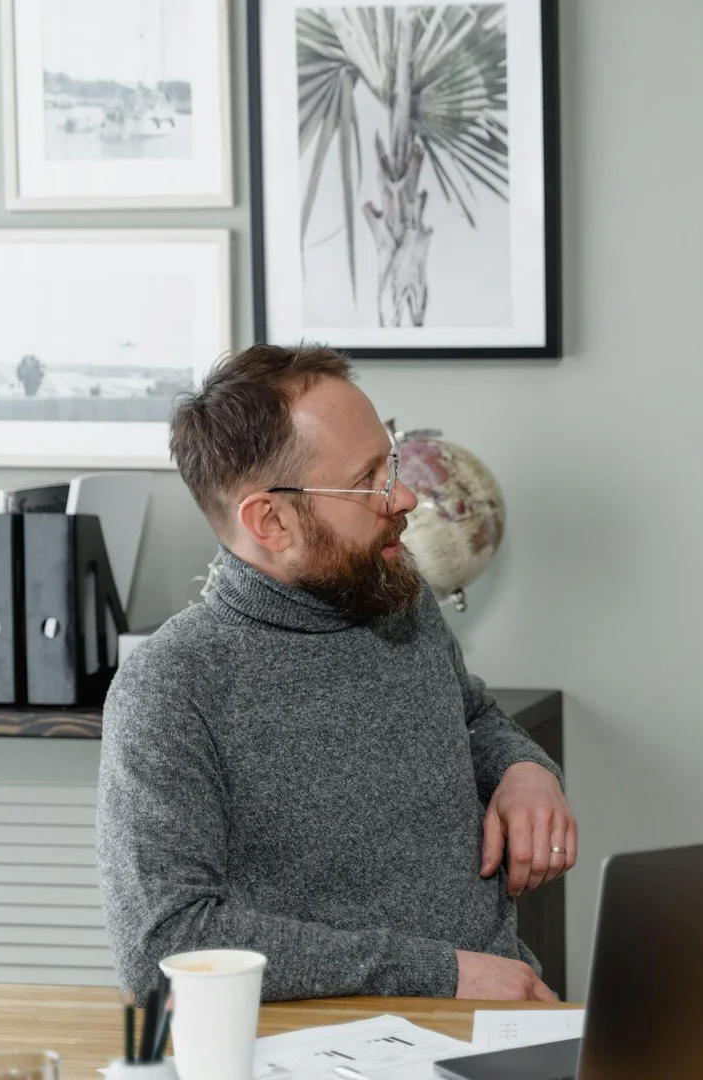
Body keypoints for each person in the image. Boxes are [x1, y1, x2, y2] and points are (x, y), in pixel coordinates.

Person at [97, 344, 574, 1003]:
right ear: (271, 521)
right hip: (341, 1038)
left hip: (499, 1011)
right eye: (368, 480)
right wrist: (444, 974)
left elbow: (470, 715)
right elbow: (164, 944)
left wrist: (524, 770)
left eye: (391, 462)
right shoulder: (171, 687)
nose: (405, 496)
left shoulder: (395, 595)